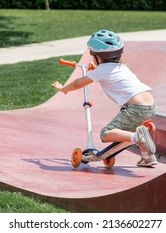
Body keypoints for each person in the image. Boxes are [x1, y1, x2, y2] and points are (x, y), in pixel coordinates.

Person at [52, 30, 157, 167]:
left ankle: (137, 137)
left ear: (97, 56)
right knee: (132, 128)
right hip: (150, 104)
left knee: (106, 133)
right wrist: (97, 69)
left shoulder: (101, 71)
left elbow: (78, 83)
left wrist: (64, 89)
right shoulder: (121, 66)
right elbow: (109, 72)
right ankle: (148, 157)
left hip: (135, 108)